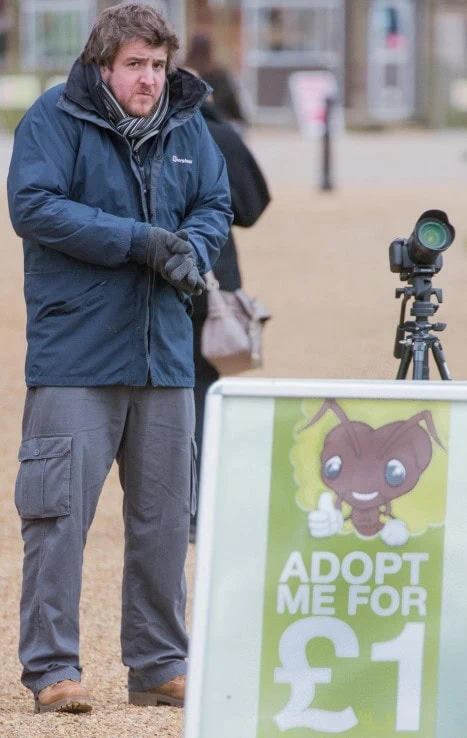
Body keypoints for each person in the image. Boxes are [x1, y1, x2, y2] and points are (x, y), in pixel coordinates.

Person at [7, 3, 232, 715]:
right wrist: (138, 240)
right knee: (58, 518)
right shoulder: (53, 118)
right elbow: (34, 205)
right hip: (76, 355)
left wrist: (190, 245)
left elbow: (216, 202)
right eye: (135, 65)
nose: (150, 80)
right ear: (104, 66)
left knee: (166, 521)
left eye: (159, 66)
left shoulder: (188, 123)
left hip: (165, 358)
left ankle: (160, 665)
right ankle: (52, 671)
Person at [190, 96, 271, 541]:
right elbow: (254, 207)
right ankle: (201, 505)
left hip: (146, 276)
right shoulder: (219, 135)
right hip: (212, 280)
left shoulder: (135, 126)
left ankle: (165, 505)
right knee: (205, 386)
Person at [184, 33, 248, 136]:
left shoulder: (183, 71)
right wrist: (241, 119)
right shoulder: (219, 74)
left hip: (187, 126)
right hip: (217, 124)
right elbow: (232, 102)